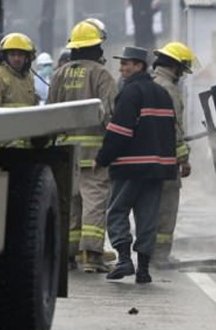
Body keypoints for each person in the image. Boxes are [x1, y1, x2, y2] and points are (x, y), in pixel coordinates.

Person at [99, 46, 177, 284]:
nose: (122, 68)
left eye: (127, 64)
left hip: (129, 167)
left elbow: (120, 131)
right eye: (122, 64)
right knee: (147, 217)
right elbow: (171, 134)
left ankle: (124, 259)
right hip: (157, 168)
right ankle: (143, 269)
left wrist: (102, 158)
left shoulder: (130, 93)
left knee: (117, 212)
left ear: (140, 66)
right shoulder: (163, 94)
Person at [48, 19, 117, 273]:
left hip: (66, 153)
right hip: (94, 154)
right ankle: (91, 256)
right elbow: (111, 114)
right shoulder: (102, 74)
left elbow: (50, 115)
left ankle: (68, 255)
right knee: (94, 204)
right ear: (97, 46)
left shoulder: (59, 73)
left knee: (70, 204)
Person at [151, 42, 196, 265]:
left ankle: (146, 251)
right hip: (167, 160)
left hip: (146, 159)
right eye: (182, 70)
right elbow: (175, 127)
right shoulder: (169, 89)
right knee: (166, 209)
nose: (182, 75)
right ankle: (160, 255)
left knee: (148, 207)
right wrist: (183, 158)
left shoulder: (147, 83)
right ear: (176, 67)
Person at [0, 33, 38, 108]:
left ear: (27, 58)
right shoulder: (1, 76)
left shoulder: (28, 78)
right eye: (12, 54)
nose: (16, 58)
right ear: (5, 57)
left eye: (20, 54)